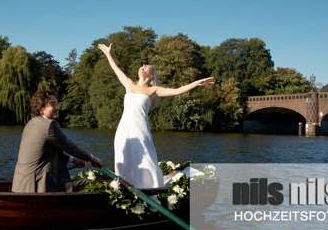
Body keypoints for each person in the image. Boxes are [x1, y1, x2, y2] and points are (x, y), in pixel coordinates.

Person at [97, 43, 214, 188]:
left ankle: (151, 188)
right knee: (123, 156)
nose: (143, 66)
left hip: (140, 130)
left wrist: (197, 83)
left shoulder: (154, 90)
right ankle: (125, 187)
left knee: (146, 157)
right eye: (143, 65)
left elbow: (177, 90)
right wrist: (108, 54)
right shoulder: (129, 84)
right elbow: (116, 69)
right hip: (123, 130)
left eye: (146, 67)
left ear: (151, 75)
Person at [11, 90, 102, 193]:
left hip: (20, 185)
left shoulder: (30, 123)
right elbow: (70, 147)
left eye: (56, 103)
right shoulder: (50, 125)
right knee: (94, 183)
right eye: (53, 104)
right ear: (41, 109)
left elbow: (52, 150)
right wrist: (92, 158)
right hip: (36, 186)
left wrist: (73, 160)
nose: (57, 107)